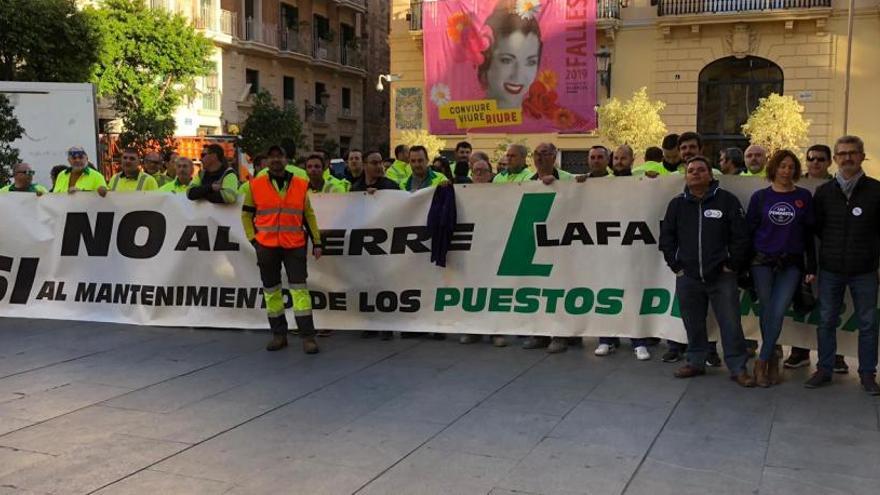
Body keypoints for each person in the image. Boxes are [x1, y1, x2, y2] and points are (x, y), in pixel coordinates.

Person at [659, 156, 754, 387]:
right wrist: (676, 266)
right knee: (693, 322)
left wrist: (732, 265)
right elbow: (666, 238)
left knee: (731, 323)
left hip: (722, 277)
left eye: (701, 170)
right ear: (686, 176)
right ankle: (695, 361)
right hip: (688, 277)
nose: (695, 173)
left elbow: (741, 236)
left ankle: (738, 367)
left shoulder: (727, 201)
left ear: (710, 175)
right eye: (691, 170)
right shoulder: (677, 204)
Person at [805, 135, 880, 394]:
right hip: (830, 269)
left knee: (869, 324)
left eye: (853, 153)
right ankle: (824, 369)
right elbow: (815, 231)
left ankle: (868, 373)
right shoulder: (823, 193)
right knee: (826, 320)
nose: (847, 158)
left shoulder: (876, 190)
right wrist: (813, 267)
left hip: (865, 271)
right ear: (835, 159)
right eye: (842, 154)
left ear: (861, 156)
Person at [241, 150, 323, 354]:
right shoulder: (255, 185)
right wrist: (254, 240)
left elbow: (308, 215)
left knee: (300, 291)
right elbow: (246, 215)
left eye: (280, 156)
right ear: (267, 161)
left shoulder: (299, 184)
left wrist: (317, 241)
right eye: (272, 156)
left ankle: (308, 337)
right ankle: (279, 335)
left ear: (286, 160)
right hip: (267, 246)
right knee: (271, 292)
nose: (276, 159)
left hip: (294, 245)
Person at [746, 150, 816, 387]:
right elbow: (749, 232)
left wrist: (811, 265)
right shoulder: (760, 197)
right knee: (767, 310)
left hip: (792, 264)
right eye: (782, 166)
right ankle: (772, 359)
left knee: (777, 311)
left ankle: (762, 360)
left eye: (790, 167)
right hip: (762, 262)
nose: (786, 171)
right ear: (773, 169)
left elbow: (809, 236)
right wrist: (743, 265)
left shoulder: (804, 197)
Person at [784, 144, 848, 372]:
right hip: (800, 251)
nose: (815, 163)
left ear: (829, 161)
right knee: (800, 300)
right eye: (810, 158)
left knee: (833, 303)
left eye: (821, 159)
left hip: (832, 251)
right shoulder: (793, 185)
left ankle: (837, 354)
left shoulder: (840, 186)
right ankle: (799, 351)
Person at [661, 132, 723, 365]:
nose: (687, 151)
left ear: (701, 148)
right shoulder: (666, 174)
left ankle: (710, 350)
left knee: (711, 312)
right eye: (683, 148)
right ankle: (676, 346)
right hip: (684, 258)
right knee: (682, 307)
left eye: (691, 147)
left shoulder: (714, 175)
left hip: (712, 261)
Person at [590, 145, 651, 360]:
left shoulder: (640, 182)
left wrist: (654, 181)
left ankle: (638, 342)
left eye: (623, 158)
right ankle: (606, 340)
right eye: (616, 158)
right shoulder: (599, 184)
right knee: (606, 294)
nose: (618, 161)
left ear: (632, 160)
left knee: (634, 295)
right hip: (606, 249)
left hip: (632, 248)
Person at [478, 3, 541, 110]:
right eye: (507, 60)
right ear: (486, 61)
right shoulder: (465, 124)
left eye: (531, 62)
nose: (518, 75)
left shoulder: (543, 123)